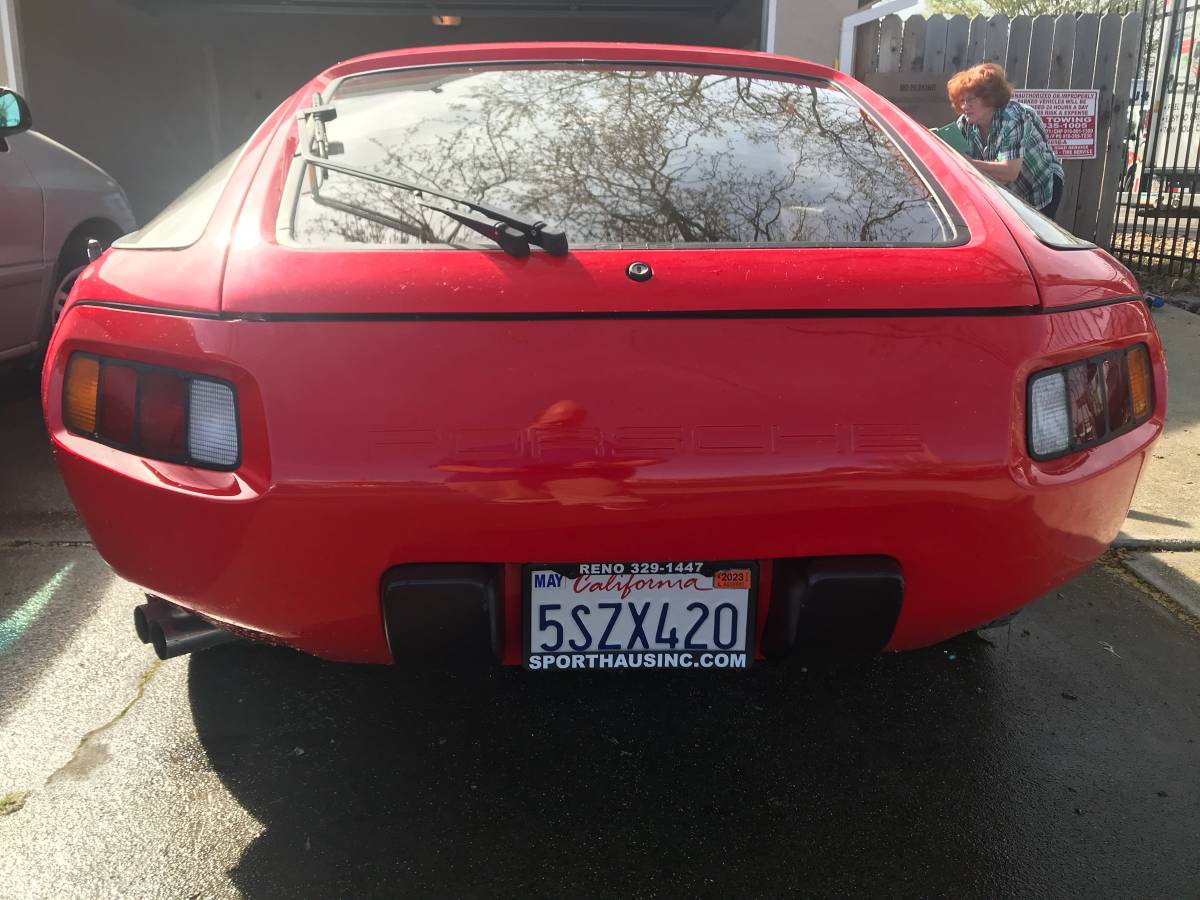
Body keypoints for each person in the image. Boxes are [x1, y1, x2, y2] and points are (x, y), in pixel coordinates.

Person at [948, 63, 1065, 219]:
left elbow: (1010, 172)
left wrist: (967, 163)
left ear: (990, 98)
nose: (964, 106)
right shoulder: (964, 124)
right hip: (1004, 195)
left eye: (970, 100)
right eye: (961, 100)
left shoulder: (1015, 116)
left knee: (1032, 233)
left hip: (1038, 188)